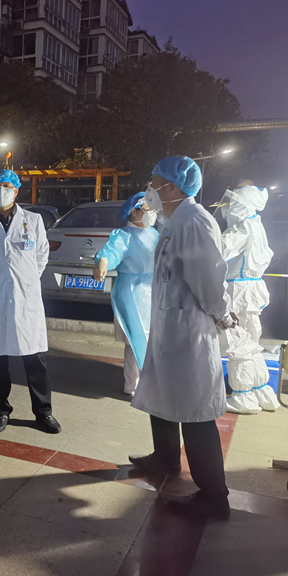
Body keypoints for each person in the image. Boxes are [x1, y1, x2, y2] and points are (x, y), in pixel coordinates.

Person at [130, 156, 238, 520]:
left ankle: (214, 497)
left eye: (154, 182)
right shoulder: (173, 220)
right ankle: (165, 458)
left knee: (195, 411)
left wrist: (222, 314)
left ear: (172, 187)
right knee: (162, 395)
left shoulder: (194, 221)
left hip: (189, 331)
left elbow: (209, 280)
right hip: (169, 327)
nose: (149, 189)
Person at [0, 169, 61, 434]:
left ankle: (43, 412)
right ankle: (1, 410)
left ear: (17, 190)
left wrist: (24, 279)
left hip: (26, 298)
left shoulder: (33, 220)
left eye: (7, 186)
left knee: (35, 360)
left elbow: (41, 256)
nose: (2, 191)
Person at [218, 182, 278, 414]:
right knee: (251, 343)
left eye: (233, 202)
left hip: (239, 291)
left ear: (243, 205)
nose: (228, 207)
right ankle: (261, 391)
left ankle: (243, 396)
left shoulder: (242, 227)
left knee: (236, 342)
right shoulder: (256, 225)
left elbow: (219, 250)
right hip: (251, 290)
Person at [93, 192, 160, 396]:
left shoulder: (154, 234)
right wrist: (103, 262)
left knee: (153, 339)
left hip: (152, 290)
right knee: (135, 339)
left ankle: (150, 382)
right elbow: (111, 252)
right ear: (134, 211)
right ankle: (133, 385)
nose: (152, 213)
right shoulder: (123, 236)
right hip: (132, 293)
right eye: (148, 209)